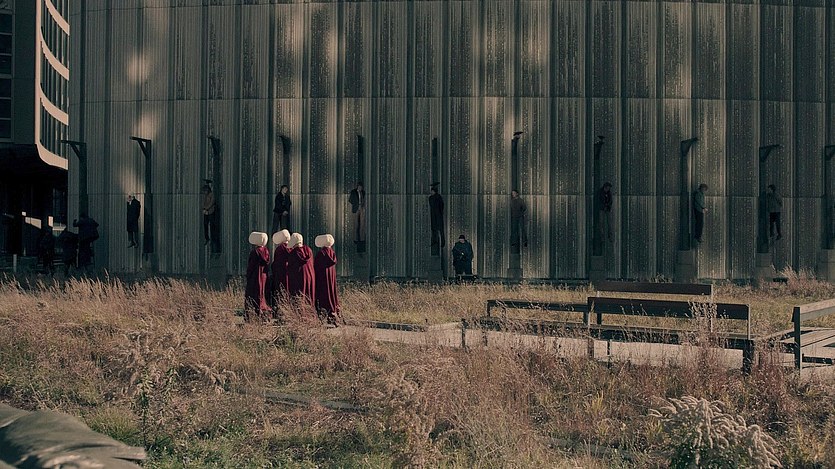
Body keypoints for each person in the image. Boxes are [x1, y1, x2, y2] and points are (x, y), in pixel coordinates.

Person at [314, 234, 342, 325]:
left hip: (322, 278)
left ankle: (323, 317)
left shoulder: (321, 253)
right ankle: (335, 315)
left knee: (323, 297)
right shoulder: (332, 253)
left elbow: (316, 266)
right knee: (332, 295)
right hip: (331, 278)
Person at [244, 231, 270, 321]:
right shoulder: (266, 251)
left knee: (252, 293)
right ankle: (263, 312)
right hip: (263, 276)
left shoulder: (255, 252)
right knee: (261, 294)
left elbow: (251, 266)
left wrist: (248, 275)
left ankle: (252, 314)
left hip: (254, 277)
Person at [287, 233, 316, 310]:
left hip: (298, 278)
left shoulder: (293, 254)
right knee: (308, 295)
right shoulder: (309, 250)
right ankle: (310, 312)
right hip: (310, 276)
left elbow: (290, 268)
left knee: (299, 296)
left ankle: (300, 313)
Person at [271, 229, 292, 307]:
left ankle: (281, 306)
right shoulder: (291, 247)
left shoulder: (280, 249)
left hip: (281, 273)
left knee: (281, 290)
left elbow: (277, 263)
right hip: (289, 273)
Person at [349, 182, 366, 252]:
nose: (360, 188)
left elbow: (364, 199)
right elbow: (350, 200)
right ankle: (355, 239)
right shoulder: (353, 192)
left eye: (361, 187)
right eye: (359, 187)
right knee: (356, 225)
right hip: (356, 209)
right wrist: (355, 204)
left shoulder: (363, 192)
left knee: (362, 225)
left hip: (361, 208)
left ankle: (362, 239)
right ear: (357, 186)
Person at [429, 183, 445, 255]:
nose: (431, 192)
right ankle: (435, 241)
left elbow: (441, 206)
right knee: (434, 229)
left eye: (432, 191)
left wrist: (440, 212)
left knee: (440, 229)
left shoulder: (438, 197)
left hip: (438, 215)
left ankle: (442, 242)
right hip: (434, 215)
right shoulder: (431, 198)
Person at [202, 181, 217, 247]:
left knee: (212, 226)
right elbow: (204, 203)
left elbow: (212, 202)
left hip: (211, 212)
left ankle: (212, 239)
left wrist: (206, 208)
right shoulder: (206, 196)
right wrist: (204, 208)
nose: (204, 192)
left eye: (205, 191)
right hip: (206, 212)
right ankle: (207, 238)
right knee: (205, 225)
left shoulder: (211, 195)